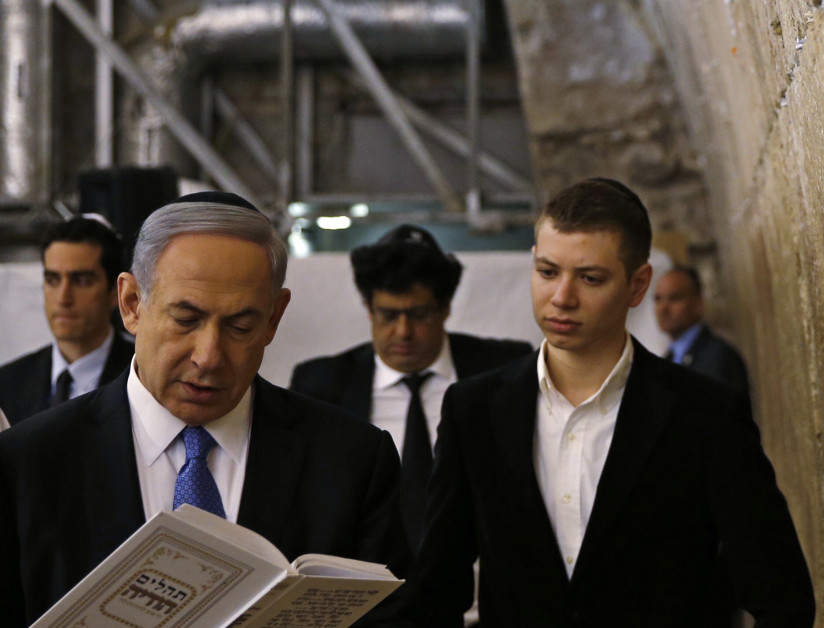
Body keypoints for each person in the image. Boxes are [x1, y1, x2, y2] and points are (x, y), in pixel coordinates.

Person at [0, 192, 418, 627]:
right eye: (186, 320)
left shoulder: (351, 461)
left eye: (240, 327)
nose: (209, 356)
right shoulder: (28, 464)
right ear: (131, 304)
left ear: (275, 318)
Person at [416, 178, 815, 627]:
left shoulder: (705, 414)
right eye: (548, 272)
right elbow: (437, 589)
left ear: (638, 284)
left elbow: (782, 598)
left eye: (590, 278)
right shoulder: (474, 409)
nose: (562, 297)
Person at [289, 224, 532, 552]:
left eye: (419, 315)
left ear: (445, 307)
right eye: (388, 315)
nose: (403, 332)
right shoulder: (321, 384)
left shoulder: (505, 370)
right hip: (368, 582)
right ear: (368, 307)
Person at [0, 215, 134, 426]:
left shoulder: (143, 377)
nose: (63, 298)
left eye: (81, 281)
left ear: (115, 293)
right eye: (52, 280)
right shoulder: (8, 383)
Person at [654, 265, 750, 392]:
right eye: (657, 299)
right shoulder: (665, 361)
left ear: (698, 303)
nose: (663, 309)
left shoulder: (719, 357)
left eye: (675, 298)